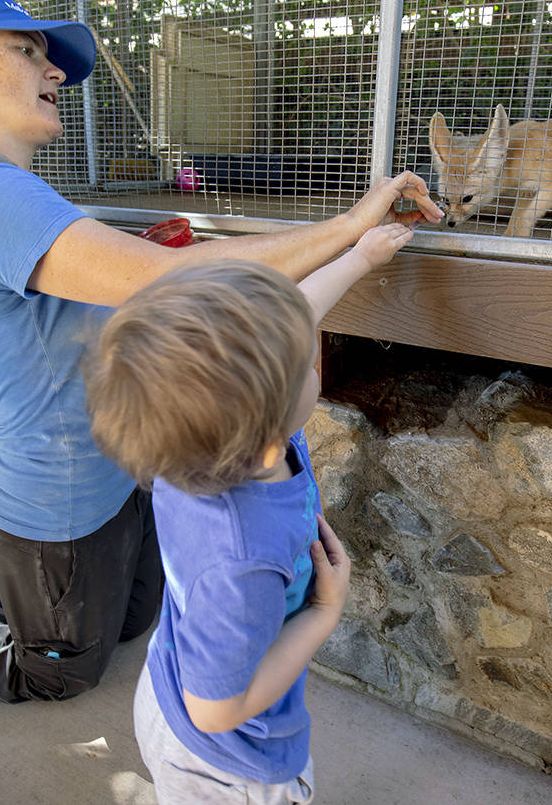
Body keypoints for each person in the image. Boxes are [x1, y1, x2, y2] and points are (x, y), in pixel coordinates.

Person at [0, 0, 441, 703]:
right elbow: (164, 283)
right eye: (27, 50)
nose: (55, 74)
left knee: (136, 619)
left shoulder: (7, 188)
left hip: (110, 480)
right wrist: (350, 227)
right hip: (54, 508)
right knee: (59, 672)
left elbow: (109, 295)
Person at [86, 222, 412, 802]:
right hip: (224, 760)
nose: (310, 351)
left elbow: (282, 322)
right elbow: (215, 710)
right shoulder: (244, 559)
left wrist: (360, 258)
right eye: (305, 364)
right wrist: (324, 615)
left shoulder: (193, 442)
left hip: (173, 678)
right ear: (265, 429)